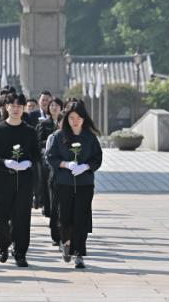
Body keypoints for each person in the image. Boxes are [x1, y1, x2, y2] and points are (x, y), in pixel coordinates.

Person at [0, 92, 40, 267]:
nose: (16, 109)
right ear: (6, 107)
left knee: (22, 217)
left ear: (23, 109)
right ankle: (3, 246)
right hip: (2, 179)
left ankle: (20, 253)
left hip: (24, 180)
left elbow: (37, 154)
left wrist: (28, 162)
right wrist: (5, 162)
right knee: (1, 216)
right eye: (13, 106)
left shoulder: (30, 131)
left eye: (19, 106)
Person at [46, 101, 103, 269]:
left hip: (84, 183)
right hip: (64, 183)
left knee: (81, 218)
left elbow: (97, 158)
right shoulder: (59, 136)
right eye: (71, 118)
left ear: (84, 119)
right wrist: (66, 164)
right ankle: (66, 243)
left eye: (78, 118)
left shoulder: (90, 137)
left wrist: (86, 167)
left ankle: (79, 254)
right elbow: (51, 157)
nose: (75, 121)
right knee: (65, 217)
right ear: (67, 118)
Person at [37, 97, 64, 245]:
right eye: (51, 105)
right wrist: (50, 141)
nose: (53, 107)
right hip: (48, 162)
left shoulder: (67, 125)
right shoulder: (44, 124)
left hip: (65, 167)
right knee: (50, 193)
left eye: (56, 105)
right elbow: (38, 141)